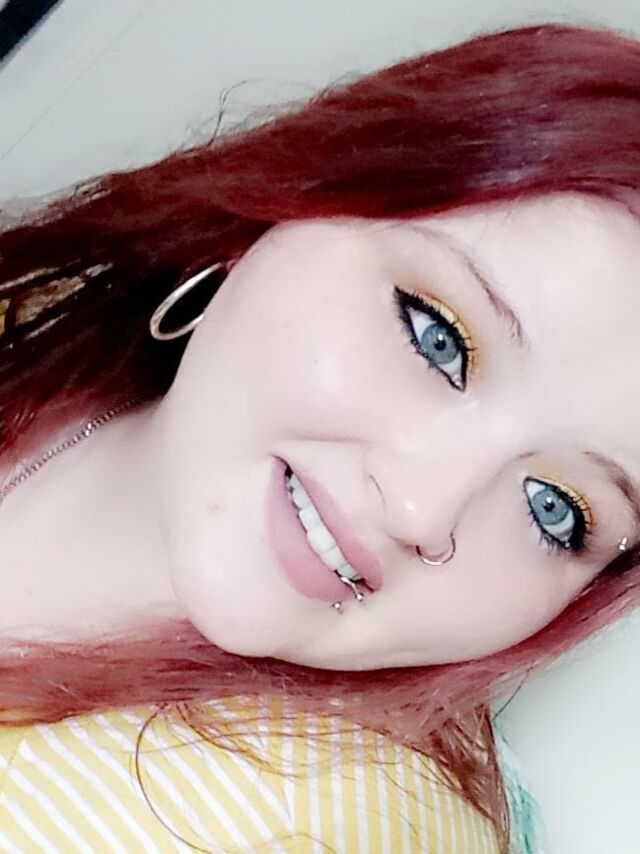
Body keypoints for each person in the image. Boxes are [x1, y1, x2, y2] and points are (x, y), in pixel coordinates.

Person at [1, 18, 639, 852]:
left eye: (556, 509)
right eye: (437, 338)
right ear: (295, 201)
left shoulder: (345, 825)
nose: (421, 509)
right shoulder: (39, 319)